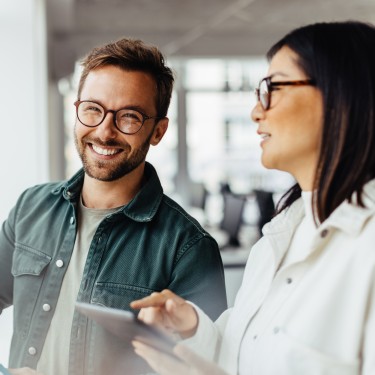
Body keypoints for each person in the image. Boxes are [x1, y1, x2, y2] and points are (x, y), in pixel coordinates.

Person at [131, 20, 375, 375]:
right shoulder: (279, 237)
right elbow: (244, 354)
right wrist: (192, 327)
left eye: (273, 89)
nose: (256, 112)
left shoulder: (367, 246)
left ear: (341, 96)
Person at [0, 38, 227, 375]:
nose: (105, 132)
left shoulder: (188, 248)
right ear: (76, 110)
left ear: (158, 131)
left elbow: (208, 366)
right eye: (93, 109)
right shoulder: (30, 208)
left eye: (129, 117)